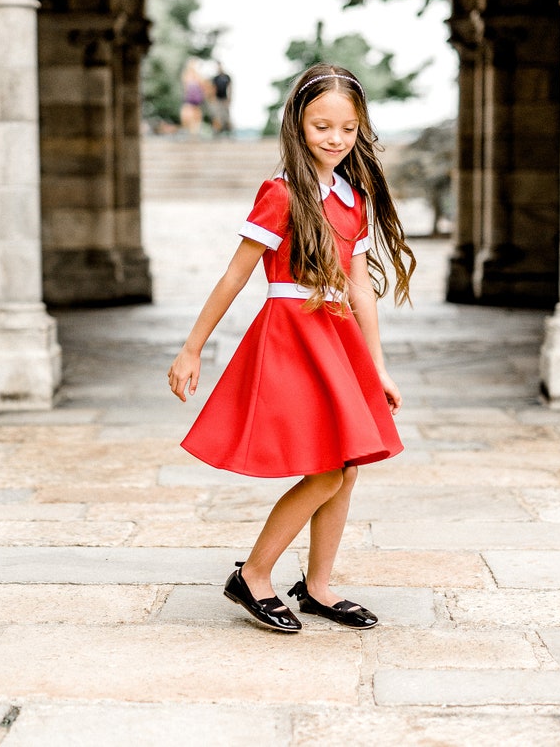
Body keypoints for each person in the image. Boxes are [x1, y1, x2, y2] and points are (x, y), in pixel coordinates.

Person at [167, 64, 415, 633]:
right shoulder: (280, 193)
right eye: (321, 125)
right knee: (326, 469)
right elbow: (235, 276)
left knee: (348, 467)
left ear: (361, 130)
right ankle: (253, 575)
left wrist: (377, 365)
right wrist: (192, 348)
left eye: (348, 129)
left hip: (337, 335)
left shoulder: (356, 198)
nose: (334, 138)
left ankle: (319, 587)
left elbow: (359, 287)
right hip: (291, 332)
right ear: (298, 124)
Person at [210, 62, 232, 134]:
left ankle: (229, 132)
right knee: (217, 117)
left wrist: (229, 98)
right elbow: (213, 89)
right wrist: (213, 99)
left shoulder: (227, 77)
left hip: (225, 99)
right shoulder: (215, 78)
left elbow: (230, 88)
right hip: (218, 99)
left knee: (226, 116)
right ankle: (217, 132)